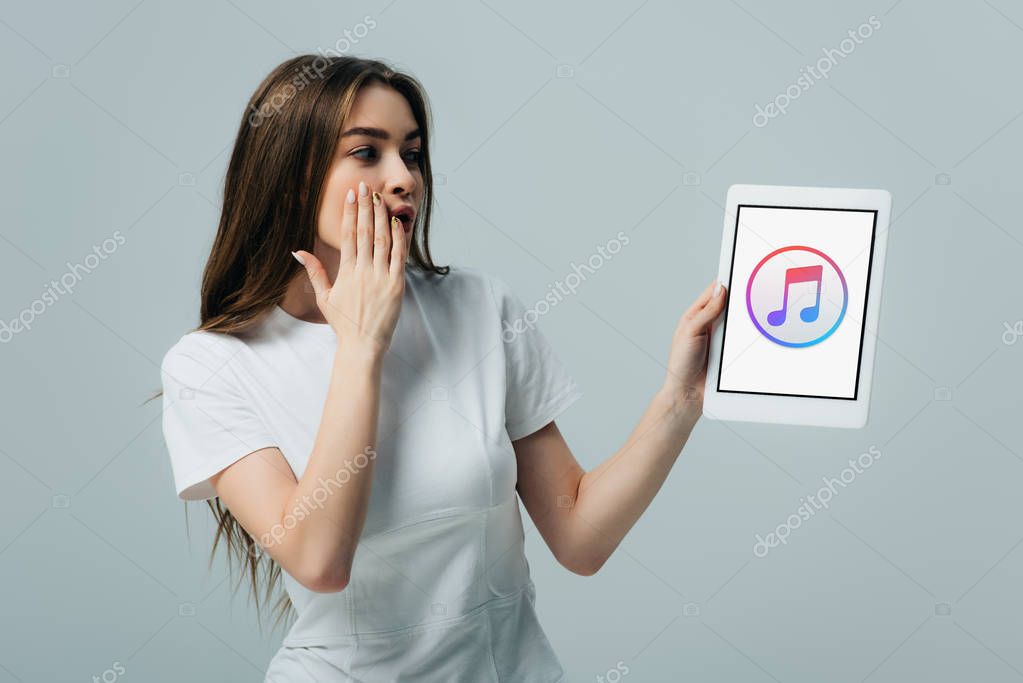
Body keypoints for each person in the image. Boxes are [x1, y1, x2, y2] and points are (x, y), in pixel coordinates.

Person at [159, 54, 727, 682]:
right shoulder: (209, 366)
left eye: (412, 152)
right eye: (367, 153)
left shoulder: (479, 307)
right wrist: (360, 345)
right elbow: (319, 560)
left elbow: (579, 536)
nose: (404, 178)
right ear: (294, 179)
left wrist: (681, 400)